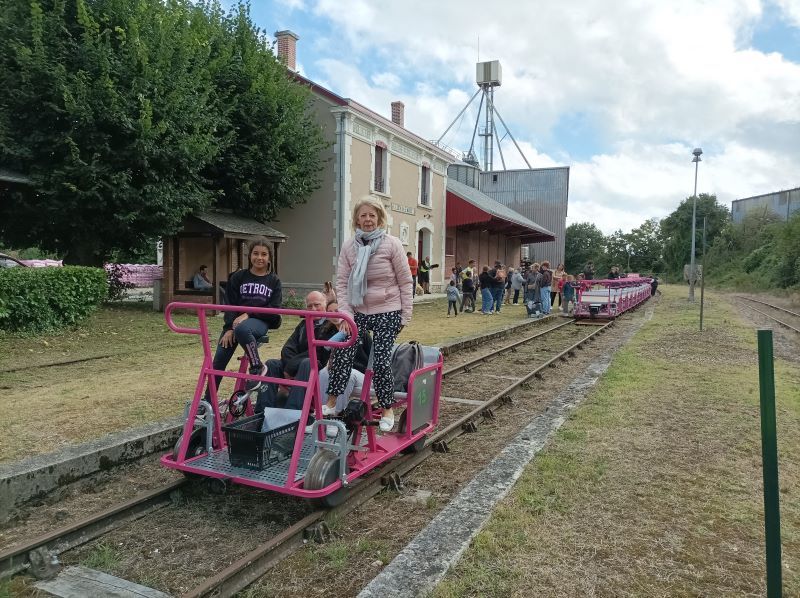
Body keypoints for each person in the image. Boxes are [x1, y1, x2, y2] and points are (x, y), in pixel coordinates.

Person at [325, 196, 413, 432]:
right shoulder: (349, 247)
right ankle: (332, 401)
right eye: (363, 215)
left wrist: (405, 315)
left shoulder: (392, 244)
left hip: (388, 309)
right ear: (356, 219)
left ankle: (386, 407)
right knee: (343, 350)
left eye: (372, 215)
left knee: (381, 360)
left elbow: (405, 281)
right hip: (359, 309)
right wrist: (346, 315)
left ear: (380, 218)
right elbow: (342, 283)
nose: (367, 219)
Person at [205, 239, 282, 401]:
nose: (259, 258)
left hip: (260, 321)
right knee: (218, 361)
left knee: (243, 328)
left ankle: (257, 367)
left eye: (264, 254)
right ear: (249, 255)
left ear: (269, 257)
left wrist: (248, 314)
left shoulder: (274, 281)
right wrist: (229, 328)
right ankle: (208, 402)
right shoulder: (238, 277)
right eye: (255, 253)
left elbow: (274, 310)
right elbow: (230, 304)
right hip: (235, 323)